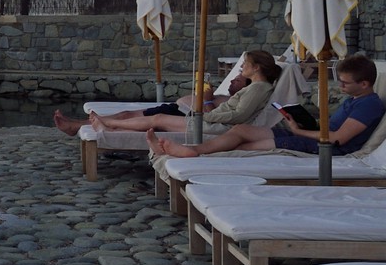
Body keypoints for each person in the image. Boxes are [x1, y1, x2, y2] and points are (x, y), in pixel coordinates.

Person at [150, 53, 383, 159]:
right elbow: (331, 129)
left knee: (248, 146)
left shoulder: (369, 105)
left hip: (327, 149)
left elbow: (338, 139)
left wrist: (299, 131)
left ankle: (192, 153)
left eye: (345, 83)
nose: (340, 86)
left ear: (364, 84)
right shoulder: (355, 99)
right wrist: (301, 123)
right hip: (315, 138)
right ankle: (194, 149)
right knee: (241, 130)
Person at [51, 50, 278, 137]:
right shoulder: (255, 87)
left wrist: (206, 112)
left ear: (257, 67)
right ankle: (106, 126)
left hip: (213, 125)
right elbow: (235, 110)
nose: (241, 67)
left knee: (157, 119)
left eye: (245, 64)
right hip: (207, 119)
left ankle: (107, 126)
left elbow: (238, 115)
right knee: (155, 119)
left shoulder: (259, 88)